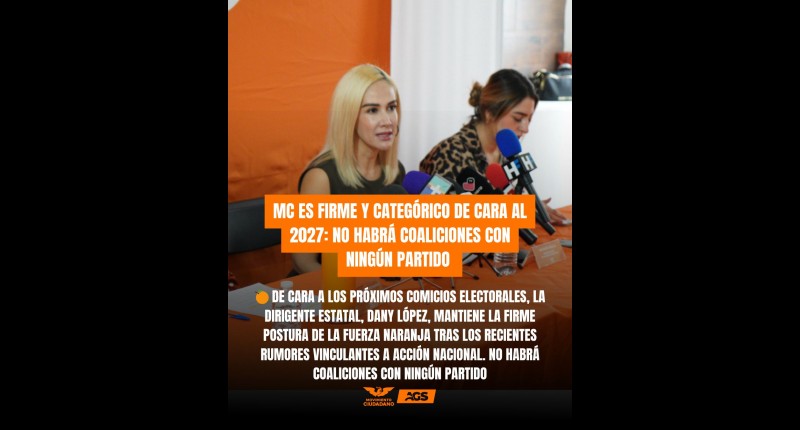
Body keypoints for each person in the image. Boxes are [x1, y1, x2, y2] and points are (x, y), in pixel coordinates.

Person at [291, 64, 406, 275]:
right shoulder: (321, 177)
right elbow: (303, 262)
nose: (387, 121)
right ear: (349, 116)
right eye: (372, 110)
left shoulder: (395, 171)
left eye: (391, 107)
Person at [418, 68, 568, 225]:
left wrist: (531, 207)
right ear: (489, 113)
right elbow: (442, 221)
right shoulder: (449, 153)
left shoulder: (504, 153)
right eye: (518, 118)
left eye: (529, 119)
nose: (526, 128)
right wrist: (520, 210)